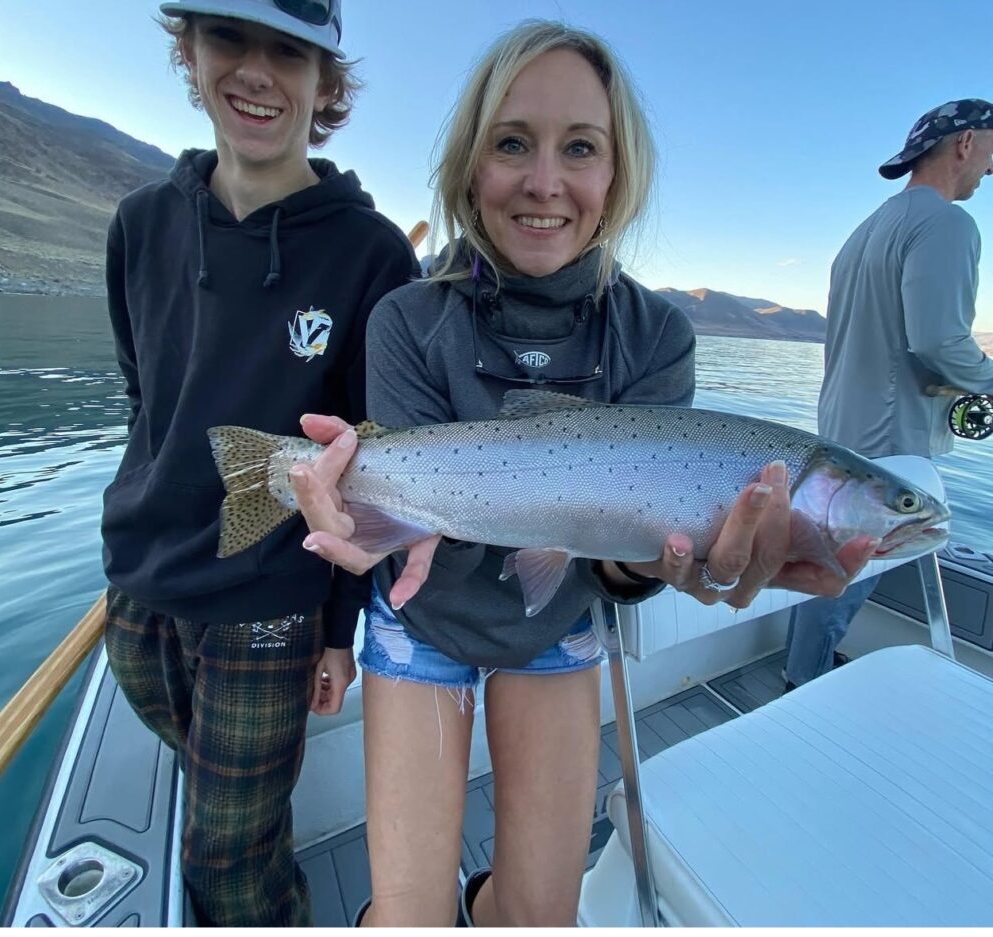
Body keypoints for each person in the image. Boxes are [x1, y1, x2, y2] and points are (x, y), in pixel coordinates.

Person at [292, 21, 876, 926]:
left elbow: (620, 557)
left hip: (556, 619)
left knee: (541, 916)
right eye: (513, 143)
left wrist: (655, 562)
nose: (545, 181)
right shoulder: (407, 319)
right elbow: (407, 508)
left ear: (616, 175)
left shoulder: (657, 336)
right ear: (471, 162)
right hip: (423, 615)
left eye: (581, 149)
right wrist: (362, 515)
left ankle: (490, 901)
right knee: (407, 917)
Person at [99, 0, 418, 925]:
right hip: (136, 588)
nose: (255, 70)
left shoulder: (371, 252)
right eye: (229, 37)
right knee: (220, 805)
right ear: (189, 50)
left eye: (289, 49)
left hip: (268, 604)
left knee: (227, 860)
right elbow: (143, 400)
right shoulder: (139, 224)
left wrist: (335, 630)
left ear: (327, 83)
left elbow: (367, 462)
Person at [784, 99, 993, 692]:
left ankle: (806, 667)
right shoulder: (949, 223)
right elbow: (938, 339)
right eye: (992, 151)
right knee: (853, 564)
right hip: (890, 436)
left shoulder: (865, 229)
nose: (992, 168)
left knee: (833, 557)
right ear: (964, 143)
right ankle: (806, 680)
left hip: (840, 426)